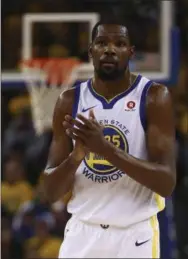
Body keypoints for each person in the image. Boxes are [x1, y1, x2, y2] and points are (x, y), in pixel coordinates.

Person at [43, 18, 176, 258]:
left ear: (131, 52)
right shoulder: (69, 102)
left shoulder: (154, 97)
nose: (110, 49)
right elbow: (50, 193)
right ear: (91, 51)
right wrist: (75, 158)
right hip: (81, 233)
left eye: (120, 43)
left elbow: (166, 183)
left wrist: (106, 150)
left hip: (134, 236)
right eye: (102, 42)